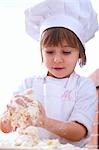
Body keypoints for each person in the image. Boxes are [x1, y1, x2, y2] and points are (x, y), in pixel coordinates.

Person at [0, 0, 98, 148]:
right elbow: (5, 128)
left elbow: (79, 131)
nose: (57, 59)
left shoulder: (84, 86)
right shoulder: (29, 84)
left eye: (66, 52)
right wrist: (10, 114)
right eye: (50, 51)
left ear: (80, 54)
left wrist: (44, 121)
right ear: (41, 52)